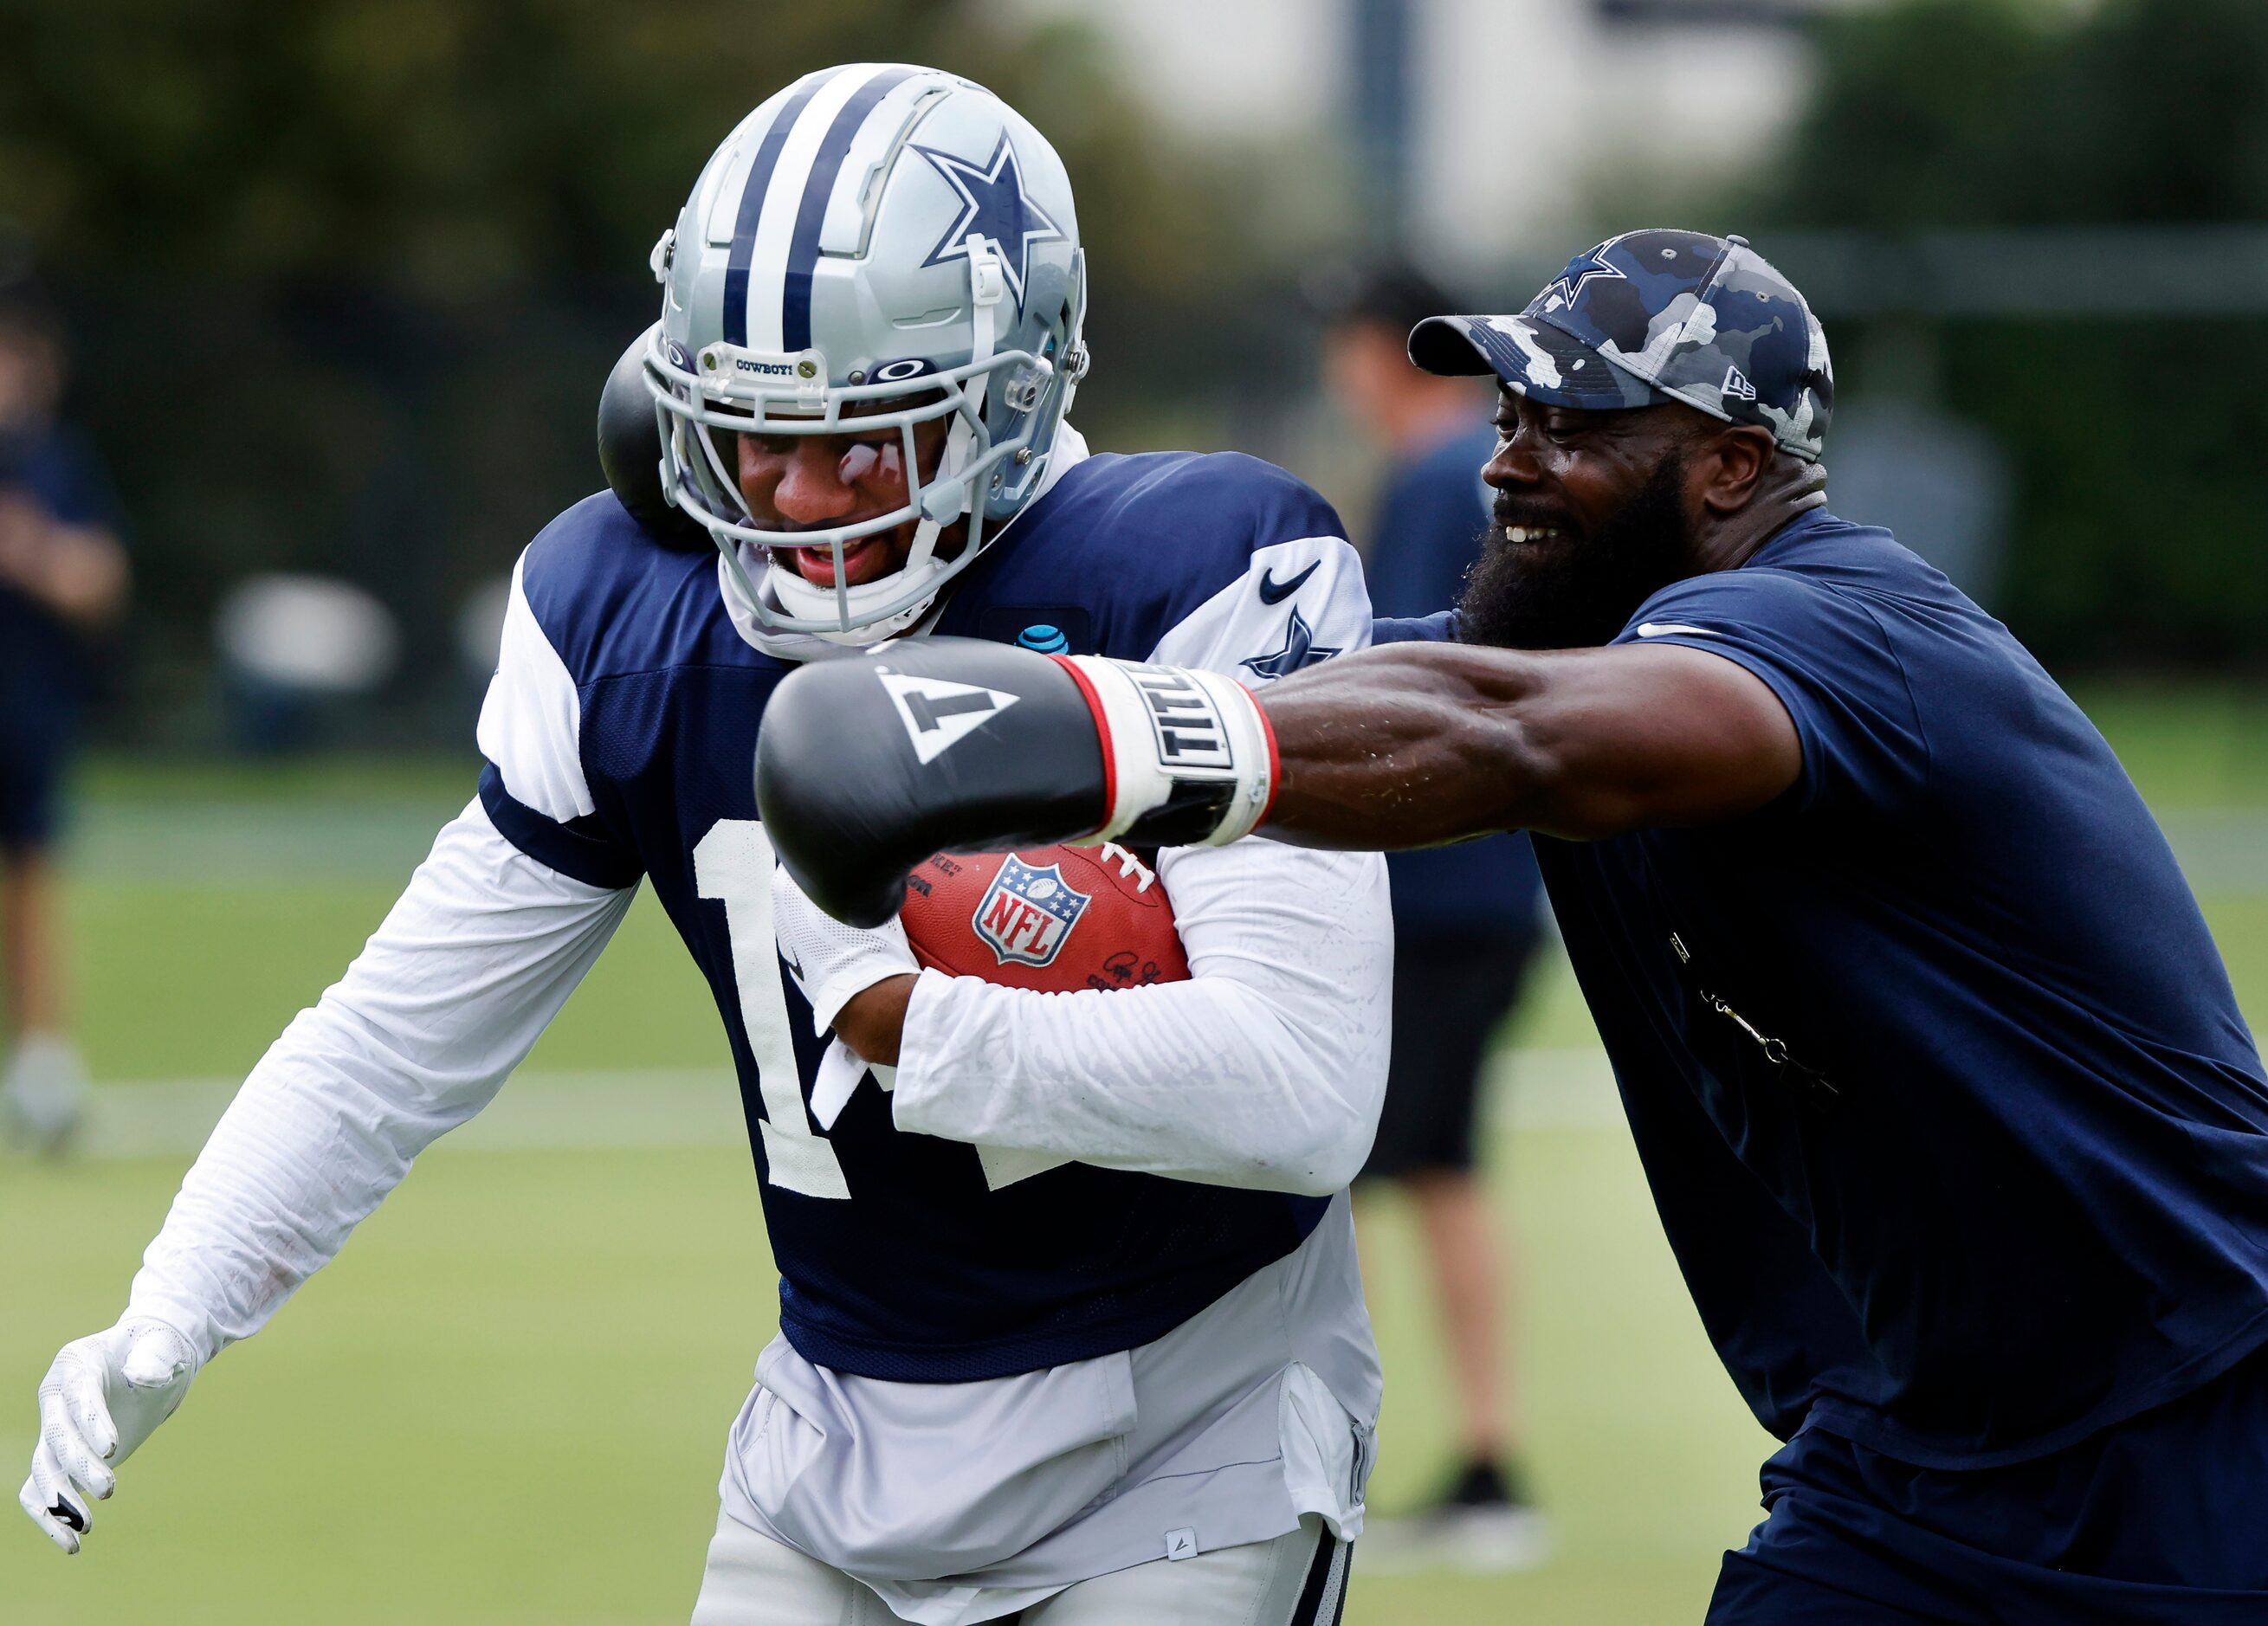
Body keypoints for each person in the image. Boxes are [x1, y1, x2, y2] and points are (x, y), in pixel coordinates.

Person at [22, 66, 1393, 1626]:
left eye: (867, 443)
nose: (799, 500)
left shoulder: (1188, 574)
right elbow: (389, 1045)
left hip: (1180, 1430)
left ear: (1007, 395)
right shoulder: (630, 611)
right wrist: (172, 1308)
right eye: (754, 439)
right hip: (829, 1442)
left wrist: (916, 1023)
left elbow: (1304, 1087)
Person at [754, 229, 2268, 1622]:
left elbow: (1518, 738)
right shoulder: (1562, 650)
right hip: (1903, 1460)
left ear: (1733, 466)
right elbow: (1283, 648)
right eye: (1506, 421)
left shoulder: (1839, 631)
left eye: (1575, 428)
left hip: (2198, 1430)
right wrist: (826, 493)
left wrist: (1086, 736)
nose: (1509, 465)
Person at [1317, 263, 1547, 1565]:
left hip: (1434, 897)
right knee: (1436, 1166)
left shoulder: (1432, 474)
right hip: (1490, 891)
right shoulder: (1482, 465)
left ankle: (1450, 1459)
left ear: (1377, 349)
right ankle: (1478, 1461)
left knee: (1337, 1170)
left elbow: (1396, 685)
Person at [0, 289, 129, 1154]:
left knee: (32, 882)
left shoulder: (58, 466)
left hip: (26, 711)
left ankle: (45, 1065)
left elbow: (102, 579)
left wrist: (33, 553)